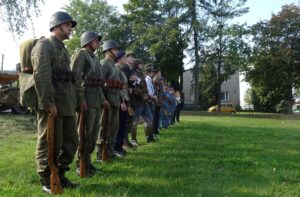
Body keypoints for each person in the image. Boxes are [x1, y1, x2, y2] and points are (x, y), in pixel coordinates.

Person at [31, 11, 78, 193]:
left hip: (65, 104)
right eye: (68, 25)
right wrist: (48, 103)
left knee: (71, 142)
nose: (70, 29)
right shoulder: (45, 45)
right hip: (52, 104)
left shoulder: (62, 48)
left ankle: (60, 175)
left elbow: (67, 79)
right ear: (57, 26)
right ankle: (46, 179)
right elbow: (41, 76)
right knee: (49, 142)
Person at [71, 31, 109, 176]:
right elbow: (75, 78)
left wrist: (103, 99)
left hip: (95, 101)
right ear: (87, 41)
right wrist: (80, 100)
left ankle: (87, 162)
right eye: (95, 40)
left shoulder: (94, 57)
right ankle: (80, 164)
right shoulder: (81, 54)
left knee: (92, 135)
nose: (98, 43)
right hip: (86, 100)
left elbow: (98, 82)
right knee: (84, 134)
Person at [96, 40, 122, 162]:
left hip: (115, 100)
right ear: (108, 50)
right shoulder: (105, 64)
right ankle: (101, 153)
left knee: (113, 128)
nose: (117, 51)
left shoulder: (112, 65)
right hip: (107, 101)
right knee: (104, 128)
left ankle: (109, 151)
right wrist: (103, 99)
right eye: (115, 49)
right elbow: (98, 83)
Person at [131, 59, 154, 143]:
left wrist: (147, 95)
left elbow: (144, 87)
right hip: (137, 101)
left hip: (144, 101)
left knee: (149, 119)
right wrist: (142, 94)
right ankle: (133, 140)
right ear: (136, 64)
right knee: (135, 122)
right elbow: (134, 88)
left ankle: (149, 138)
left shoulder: (141, 74)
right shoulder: (132, 73)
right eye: (140, 63)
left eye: (142, 63)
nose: (142, 65)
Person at [152, 68, 163, 134]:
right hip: (156, 100)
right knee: (155, 116)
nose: (160, 74)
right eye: (159, 73)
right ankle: (154, 130)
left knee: (157, 116)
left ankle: (156, 129)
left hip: (159, 100)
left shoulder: (157, 80)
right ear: (156, 73)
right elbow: (156, 91)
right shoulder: (155, 80)